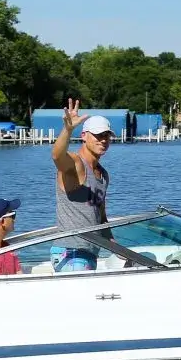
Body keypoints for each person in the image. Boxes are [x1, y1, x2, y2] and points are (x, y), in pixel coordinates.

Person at [50, 99, 112, 273]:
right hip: (70, 252)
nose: (103, 140)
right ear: (84, 136)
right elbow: (57, 156)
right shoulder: (76, 164)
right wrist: (68, 129)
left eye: (107, 135)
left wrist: (118, 249)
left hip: (91, 251)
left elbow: (101, 218)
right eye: (98, 135)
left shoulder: (103, 175)